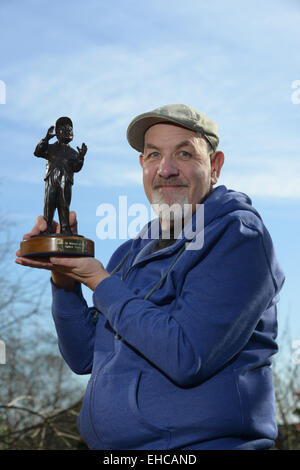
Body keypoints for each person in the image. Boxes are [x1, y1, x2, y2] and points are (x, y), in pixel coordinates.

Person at [16, 104, 285, 450]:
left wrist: (100, 281)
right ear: (143, 165)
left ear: (215, 167)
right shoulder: (129, 253)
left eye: (184, 153)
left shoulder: (239, 237)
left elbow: (187, 356)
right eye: (154, 154)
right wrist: (65, 280)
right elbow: (84, 356)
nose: (166, 169)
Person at [34, 116, 87, 234]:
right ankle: (46, 228)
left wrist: (81, 157)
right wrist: (46, 139)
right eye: (64, 130)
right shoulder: (50, 147)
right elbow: (37, 152)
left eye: (70, 130)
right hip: (51, 179)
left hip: (66, 181)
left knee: (64, 206)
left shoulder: (73, 153)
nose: (68, 132)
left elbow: (76, 168)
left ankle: (65, 229)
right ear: (57, 133)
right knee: (49, 204)